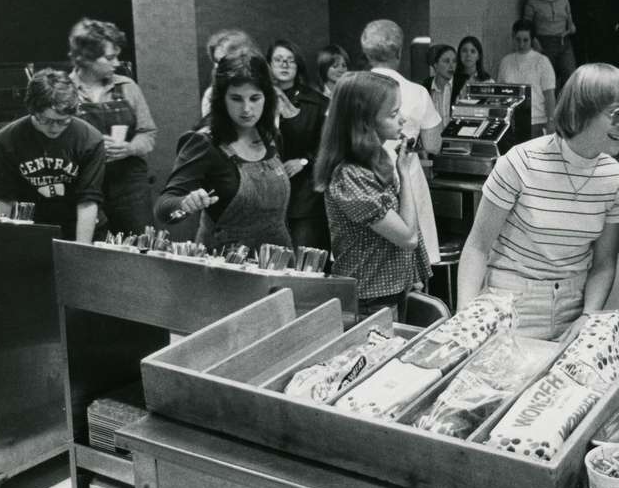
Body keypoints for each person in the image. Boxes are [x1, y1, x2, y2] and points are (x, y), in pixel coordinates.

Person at [457, 63, 619, 341]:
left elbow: (604, 264)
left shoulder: (617, 181)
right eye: (618, 114)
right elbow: (478, 246)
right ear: (582, 111)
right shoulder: (519, 162)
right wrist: (465, 319)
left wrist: (589, 314)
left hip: (571, 309)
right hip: (508, 304)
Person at [315, 72, 431, 319]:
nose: (402, 120)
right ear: (365, 122)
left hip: (389, 289)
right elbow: (407, 236)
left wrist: (413, 276)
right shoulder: (350, 176)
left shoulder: (374, 160)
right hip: (370, 298)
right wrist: (405, 173)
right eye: (393, 114)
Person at [154, 52, 291, 251]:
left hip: (277, 258)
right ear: (221, 99)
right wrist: (184, 203)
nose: (247, 109)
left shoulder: (271, 136)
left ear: (267, 98)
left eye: (255, 98)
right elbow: (163, 209)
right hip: (226, 264)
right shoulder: (204, 142)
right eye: (236, 99)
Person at [0, 69, 105, 242]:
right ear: (32, 110)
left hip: (79, 225)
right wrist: (3, 244)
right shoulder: (7, 139)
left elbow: (88, 202)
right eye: (45, 120)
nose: (54, 128)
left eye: (62, 121)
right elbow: (5, 198)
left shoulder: (90, 140)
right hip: (30, 227)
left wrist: (81, 251)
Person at [67, 18, 156, 236]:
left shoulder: (127, 87)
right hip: (86, 185)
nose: (116, 63)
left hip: (129, 185)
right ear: (86, 58)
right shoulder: (65, 92)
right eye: (109, 57)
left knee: (141, 247)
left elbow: (148, 133)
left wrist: (129, 148)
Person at [363, 19, 441, 264]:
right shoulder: (416, 92)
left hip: (363, 177)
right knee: (412, 255)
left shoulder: (350, 88)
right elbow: (433, 144)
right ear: (398, 52)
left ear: (365, 52)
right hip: (406, 175)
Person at [266, 38, 330, 250]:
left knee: (304, 258)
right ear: (269, 65)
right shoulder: (258, 100)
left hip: (304, 195)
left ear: (298, 65)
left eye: (290, 60)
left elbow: (327, 145)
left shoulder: (317, 102)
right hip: (267, 195)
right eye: (278, 60)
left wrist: (304, 161)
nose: (284, 65)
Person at [497, 19, 557, 136]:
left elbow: (549, 95)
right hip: (511, 121)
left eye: (525, 40)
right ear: (513, 37)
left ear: (532, 40)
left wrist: (551, 121)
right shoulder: (505, 61)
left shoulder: (542, 61)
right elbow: (500, 93)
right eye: (518, 40)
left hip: (536, 121)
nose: (521, 44)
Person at [524, 0, 577, 87]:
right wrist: (535, 42)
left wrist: (571, 29)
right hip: (545, 42)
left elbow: (570, 22)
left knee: (570, 76)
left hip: (564, 41)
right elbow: (526, 25)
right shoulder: (533, 2)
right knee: (548, 81)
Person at [201, 29, 258, 116]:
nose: (218, 67)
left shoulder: (263, 89)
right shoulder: (210, 95)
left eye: (225, 62)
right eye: (217, 62)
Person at [421, 44, 457, 124]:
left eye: (454, 61)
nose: (452, 66)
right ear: (435, 65)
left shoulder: (461, 86)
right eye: (446, 61)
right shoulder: (425, 87)